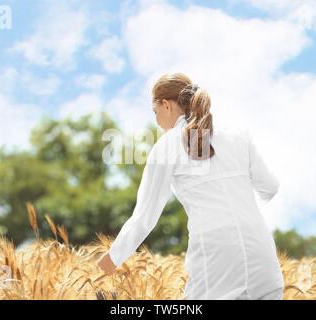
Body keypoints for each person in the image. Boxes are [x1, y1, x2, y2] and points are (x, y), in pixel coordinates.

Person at [97, 72, 284, 300]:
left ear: (166, 105)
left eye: (155, 112)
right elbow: (270, 187)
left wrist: (107, 263)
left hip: (217, 261)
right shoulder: (239, 137)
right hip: (263, 256)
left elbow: (145, 217)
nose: (156, 121)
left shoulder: (167, 145)